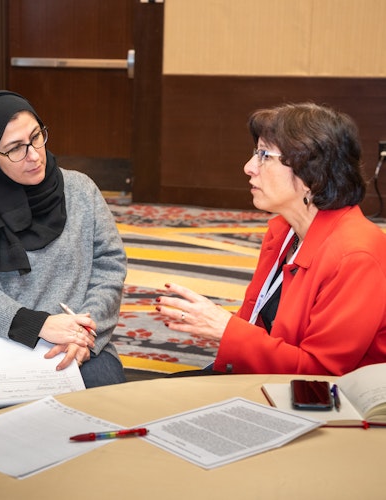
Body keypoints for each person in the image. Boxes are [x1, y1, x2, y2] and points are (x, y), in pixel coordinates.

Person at [0, 90, 127, 417]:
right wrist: (36, 326)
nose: (34, 155)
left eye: (36, 137)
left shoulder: (81, 190)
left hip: (76, 344)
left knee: (106, 401)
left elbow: (109, 269)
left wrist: (84, 332)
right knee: (28, 416)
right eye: (15, 149)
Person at [156, 102, 386, 376]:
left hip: (327, 403)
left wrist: (226, 330)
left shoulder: (357, 256)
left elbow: (318, 375)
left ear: (310, 171)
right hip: (264, 377)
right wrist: (222, 326)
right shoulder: (285, 231)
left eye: (264, 155)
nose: (249, 167)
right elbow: (259, 322)